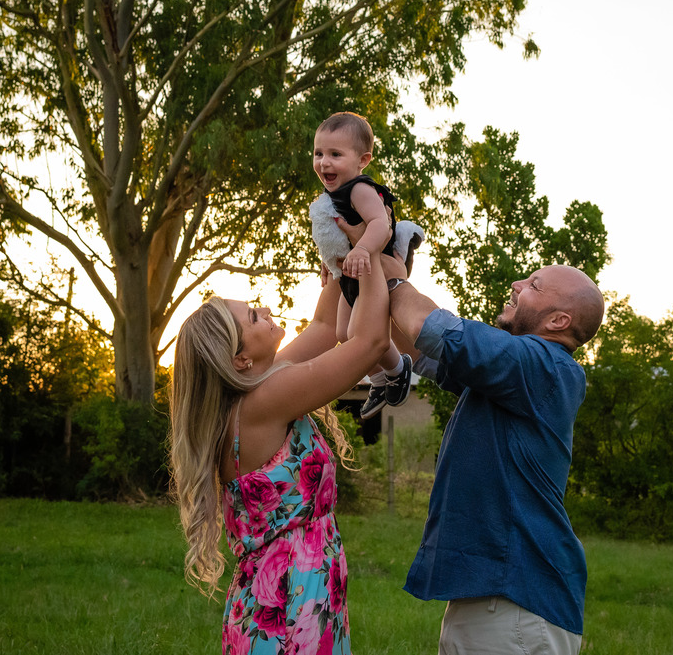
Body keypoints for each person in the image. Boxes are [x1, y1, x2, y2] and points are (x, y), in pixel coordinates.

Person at [168, 252, 391, 654]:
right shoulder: (264, 401)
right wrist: (369, 250)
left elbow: (324, 328)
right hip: (291, 604)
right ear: (240, 359)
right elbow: (371, 343)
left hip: (283, 596)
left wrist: (343, 263)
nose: (266, 309)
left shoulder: (250, 396)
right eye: (254, 316)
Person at [389, 264, 605, 655]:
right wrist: (362, 275)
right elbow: (412, 345)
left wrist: (393, 278)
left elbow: (428, 326)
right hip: (496, 604)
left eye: (534, 285)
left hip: (514, 607)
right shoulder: (513, 376)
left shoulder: (544, 365)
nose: (516, 283)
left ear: (559, 320)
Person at [311, 111, 412, 420]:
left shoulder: (360, 190)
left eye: (335, 154)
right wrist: (329, 262)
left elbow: (380, 224)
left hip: (370, 272)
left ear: (363, 160)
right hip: (351, 276)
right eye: (318, 153)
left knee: (360, 335)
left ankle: (398, 368)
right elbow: (332, 234)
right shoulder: (331, 195)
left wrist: (363, 249)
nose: (324, 162)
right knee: (344, 333)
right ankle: (379, 381)